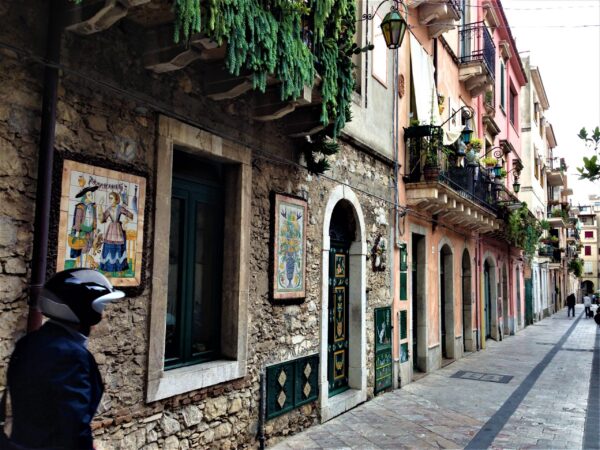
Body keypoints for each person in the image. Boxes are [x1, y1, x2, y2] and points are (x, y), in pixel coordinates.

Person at [4, 269, 125, 449]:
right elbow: (72, 425)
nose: (103, 314)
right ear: (83, 308)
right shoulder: (70, 355)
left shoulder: (29, 342)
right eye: (101, 307)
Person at [99, 191, 134, 274]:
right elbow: (102, 219)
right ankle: (108, 269)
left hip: (118, 230)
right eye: (109, 198)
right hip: (110, 230)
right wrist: (100, 206)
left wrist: (126, 220)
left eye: (111, 198)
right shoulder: (109, 209)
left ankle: (119, 269)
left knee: (119, 249)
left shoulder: (120, 208)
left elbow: (131, 215)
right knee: (108, 248)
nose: (110, 200)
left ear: (116, 199)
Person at [70, 186, 99, 269]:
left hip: (91, 233)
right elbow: (77, 222)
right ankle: (82, 267)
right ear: (85, 196)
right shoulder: (80, 207)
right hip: (82, 232)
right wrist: (81, 230)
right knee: (83, 250)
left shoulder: (93, 207)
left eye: (91, 195)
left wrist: (95, 230)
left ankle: (87, 267)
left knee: (88, 249)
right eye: (89, 195)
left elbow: (95, 220)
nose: (91, 197)